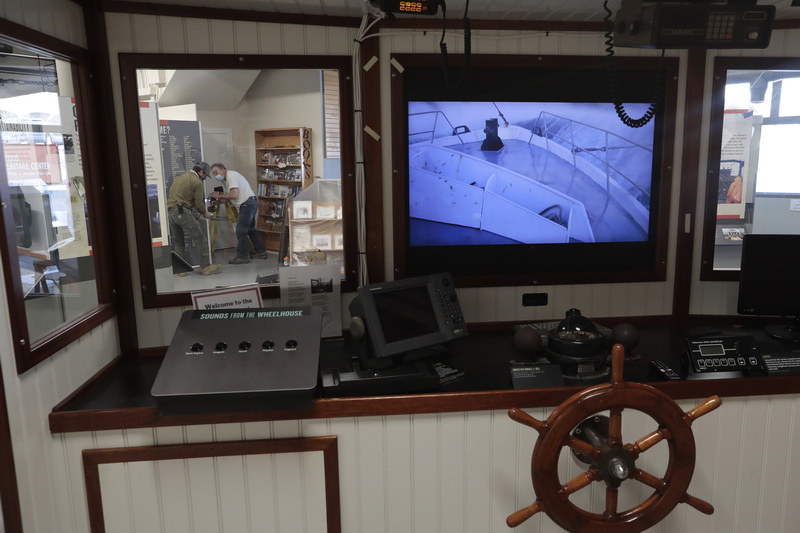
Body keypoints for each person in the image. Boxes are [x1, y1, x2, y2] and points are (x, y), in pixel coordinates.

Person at [167, 162, 222, 276]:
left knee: (179, 242)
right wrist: (205, 213)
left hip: (171, 213)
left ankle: (180, 270)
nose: (206, 178)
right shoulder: (197, 182)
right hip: (182, 212)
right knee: (200, 239)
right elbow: (198, 203)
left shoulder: (181, 178)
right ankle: (206, 267)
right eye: (206, 175)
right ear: (201, 172)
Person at [209, 162, 268, 264]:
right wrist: (217, 201)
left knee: (240, 231)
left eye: (216, 172)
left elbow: (234, 195)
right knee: (250, 229)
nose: (215, 176)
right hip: (249, 203)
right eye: (213, 174)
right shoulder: (225, 180)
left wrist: (219, 196)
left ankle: (242, 256)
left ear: (223, 170)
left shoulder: (232, 176)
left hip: (247, 203)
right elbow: (228, 198)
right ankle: (261, 251)